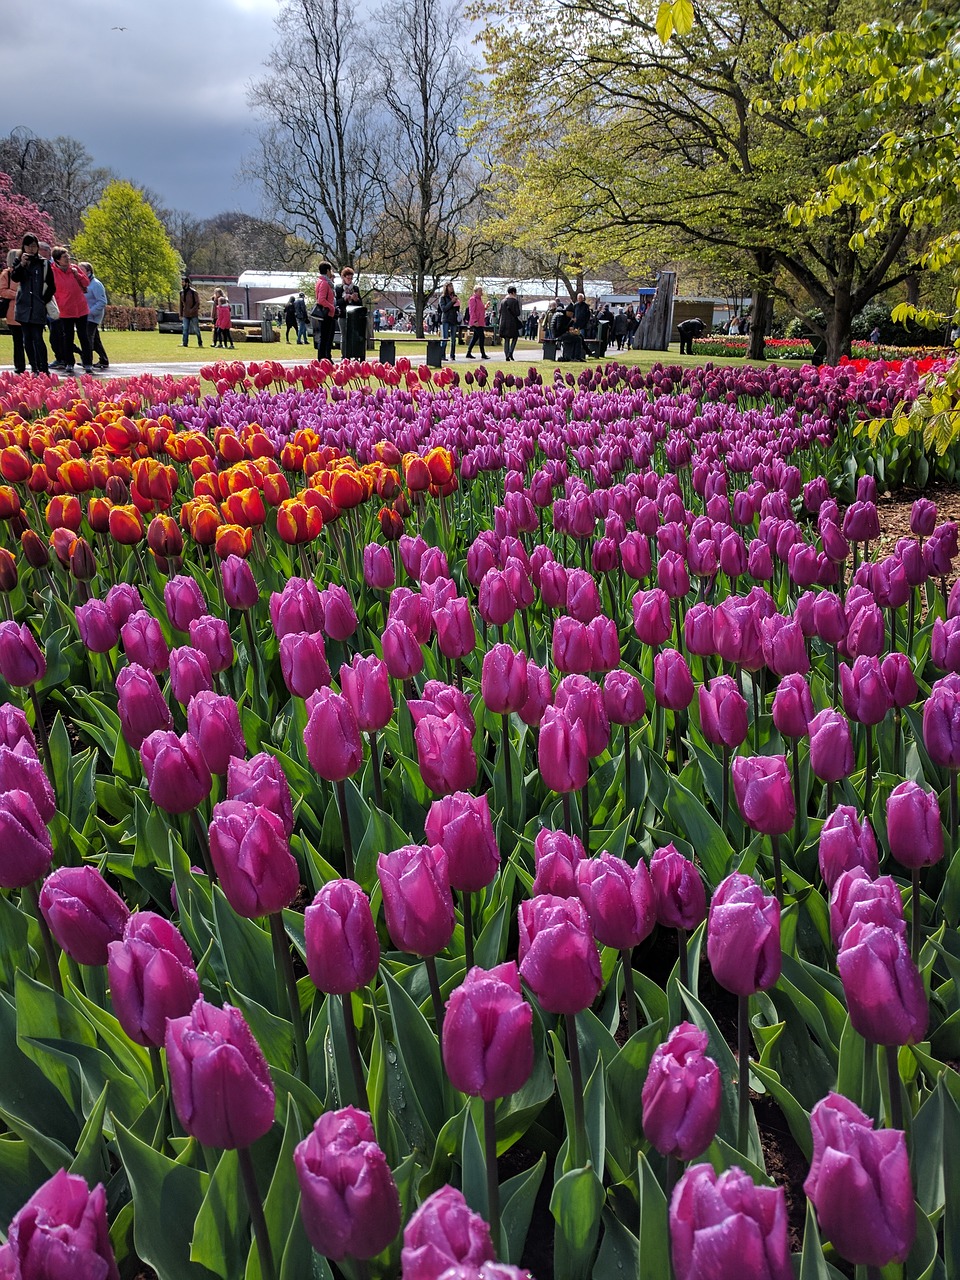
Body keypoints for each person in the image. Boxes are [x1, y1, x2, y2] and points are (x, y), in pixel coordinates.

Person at [10, 235, 53, 375]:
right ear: (24, 247)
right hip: (23, 307)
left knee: (38, 338)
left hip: (38, 307)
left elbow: (52, 286)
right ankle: (34, 367)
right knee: (26, 339)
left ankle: (43, 368)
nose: (31, 249)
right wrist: (22, 264)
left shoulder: (44, 263)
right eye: (28, 246)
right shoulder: (19, 261)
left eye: (34, 246)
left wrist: (42, 301)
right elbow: (15, 278)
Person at [50, 247, 93, 376]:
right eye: (64, 257)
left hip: (80, 308)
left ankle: (87, 363)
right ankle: (69, 362)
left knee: (84, 336)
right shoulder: (52, 271)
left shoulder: (74, 268)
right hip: (65, 309)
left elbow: (86, 283)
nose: (68, 258)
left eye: (68, 256)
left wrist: (77, 274)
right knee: (67, 337)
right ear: (57, 259)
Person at [78, 261, 109, 369]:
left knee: (87, 338)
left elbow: (102, 301)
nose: (79, 272)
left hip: (92, 316)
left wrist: (90, 311)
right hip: (84, 315)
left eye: (81, 270)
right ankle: (104, 360)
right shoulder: (82, 283)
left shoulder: (95, 284)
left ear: (89, 271)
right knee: (95, 340)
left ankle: (87, 361)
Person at [0, 250, 26, 375]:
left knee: (32, 339)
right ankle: (20, 366)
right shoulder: (7, 274)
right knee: (18, 341)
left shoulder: (26, 271)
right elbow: (2, 291)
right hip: (13, 312)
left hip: (28, 310)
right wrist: (18, 295)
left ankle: (35, 364)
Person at [313, 262, 336, 361]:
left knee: (326, 337)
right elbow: (321, 299)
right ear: (327, 271)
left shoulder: (321, 281)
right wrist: (332, 307)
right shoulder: (324, 283)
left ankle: (325, 357)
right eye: (330, 270)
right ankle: (322, 358)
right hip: (326, 314)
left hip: (327, 313)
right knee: (325, 338)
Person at [498, 285, 522, 361]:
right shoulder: (515, 301)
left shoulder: (503, 301)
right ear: (513, 292)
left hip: (503, 323)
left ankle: (506, 355)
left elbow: (500, 312)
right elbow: (517, 313)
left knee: (506, 340)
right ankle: (510, 353)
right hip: (512, 323)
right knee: (515, 338)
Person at [464, 285, 488, 359]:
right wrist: (474, 321)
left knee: (475, 337)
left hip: (480, 321)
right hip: (476, 322)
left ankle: (468, 352)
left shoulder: (479, 300)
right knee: (482, 336)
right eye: (480, 291)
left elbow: (480, 310)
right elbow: (472, 311)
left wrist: (485, 307)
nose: (481, 292)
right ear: (476, 291)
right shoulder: (473, 299)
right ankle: (483, 354)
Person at [438, 281, 460, 360]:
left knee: (453, 339)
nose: (451, 288)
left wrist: (457, 304)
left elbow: (456, 309)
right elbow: (444, 309)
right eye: (450, 287)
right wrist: (451, 302)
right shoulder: (442, 298)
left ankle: (452, 355)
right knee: (445, 338)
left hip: (453, 319)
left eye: (452, 286)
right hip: (446, 319)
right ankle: (442, 355)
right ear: (446, 288)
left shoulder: (454, 296)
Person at [179, 276, 203, 347]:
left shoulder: (193, 292)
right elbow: (181, 304)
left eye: (183, 282)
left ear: (187, 283)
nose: (182, 284)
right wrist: (180, 314)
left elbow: (197, 303)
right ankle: (184, 343)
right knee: (185, 329)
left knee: (196, 329)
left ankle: (200, 343)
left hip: (193, 314)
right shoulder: (181, 292)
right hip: (185, 314)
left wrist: (192, 310)